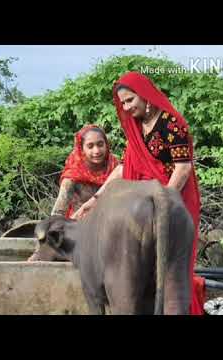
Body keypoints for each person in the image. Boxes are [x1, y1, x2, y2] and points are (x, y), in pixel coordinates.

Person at [72, 71, 206, 315]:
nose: (126, 106)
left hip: (172, 200)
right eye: (122, 102)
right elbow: (125, 168)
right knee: (143, 267)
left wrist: (164, 202)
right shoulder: (136, 127)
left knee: (172, 269)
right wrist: (95, 200)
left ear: (145, 95)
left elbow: (183, 168)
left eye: (130, 100)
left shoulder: (171, 123)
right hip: (140, 203)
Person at [27, 124, 119, 261]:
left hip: (111, 227)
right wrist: (43, 247)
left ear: (107, 144)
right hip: (78, 230)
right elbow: (58, 213)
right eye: (90, 146)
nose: (96, 151)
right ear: (81, 149)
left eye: (100, 144)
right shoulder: (73, 175)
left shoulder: (116, 167)